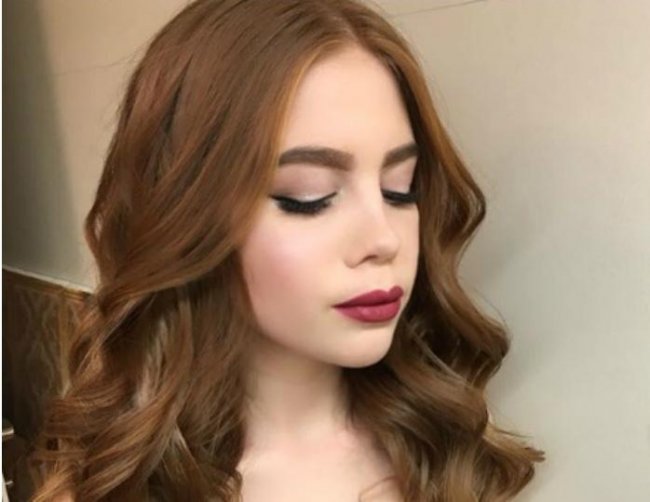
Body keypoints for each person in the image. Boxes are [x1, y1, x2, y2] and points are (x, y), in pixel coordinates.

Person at [28, 0, 545, 500]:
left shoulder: (446, 447)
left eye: (400, 189)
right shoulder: (117, 487)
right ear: (187, 216)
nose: (384, 239)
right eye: (309, 197)